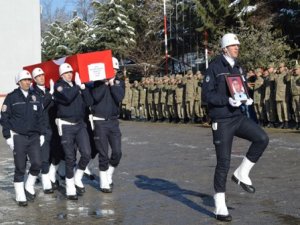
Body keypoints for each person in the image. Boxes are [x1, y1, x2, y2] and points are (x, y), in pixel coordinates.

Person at [202, 33, 269, 222]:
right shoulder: (214, 68)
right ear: (224, 48)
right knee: (223, 162)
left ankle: (242, 172)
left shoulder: (239, 67)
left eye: (238, 45)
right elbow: (207, 96)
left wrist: (246, 96)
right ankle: (220, 205)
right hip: (222, 120)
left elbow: (242, 87)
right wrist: (227, 100)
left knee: (262, 138)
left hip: (238, 117)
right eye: (233, 46)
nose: (237, 48)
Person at [0, 70, 45, 206]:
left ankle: (29, 185)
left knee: (37, 163)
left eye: (29, 80)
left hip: (34, 137)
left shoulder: (35, 96)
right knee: (20, 166)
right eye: (25, 80)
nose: (27, 82)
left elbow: (41, 118)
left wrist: (42, 133)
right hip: (18, 137)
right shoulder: (12, 97)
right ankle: (20, 194)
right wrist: (8, 136)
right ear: (19, 82)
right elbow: (4, 117)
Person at [53, 63, 92, 200]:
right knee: (70, 157)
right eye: (67, 73)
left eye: (71, 72)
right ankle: (70, 187)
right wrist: (77, 87)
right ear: (62, 75)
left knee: (87, 153)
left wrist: (84, 88)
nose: (70, 74)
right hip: (66, 125)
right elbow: (68, 97)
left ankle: (77, 177)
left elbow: (88, 102)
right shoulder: (59, 86)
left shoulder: (77, 86)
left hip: (80, 124)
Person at [88, 57, 125, 193]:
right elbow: (95, 98)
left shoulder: (119, 83)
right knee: (103, 153)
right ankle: (103, 181)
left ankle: (109, 173)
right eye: (111, 69)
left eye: (115, 70)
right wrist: (104, 83)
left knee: (117, 152)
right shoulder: (97, 83)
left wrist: (112, 84)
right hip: (99, 121)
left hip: (114, 122)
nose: (114, 72)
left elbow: (119, 97)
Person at [31, 67, 55, 194]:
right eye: (39, 76)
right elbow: (40, 106)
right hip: (42, 128)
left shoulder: (47, 90)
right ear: (34, 79)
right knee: (44, 156)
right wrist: (50, 94)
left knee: (54, 154)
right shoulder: (33, 93)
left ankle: (50, 176)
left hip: (53, 126)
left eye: (43, 75)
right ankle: (46, 181)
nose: (42, 77)